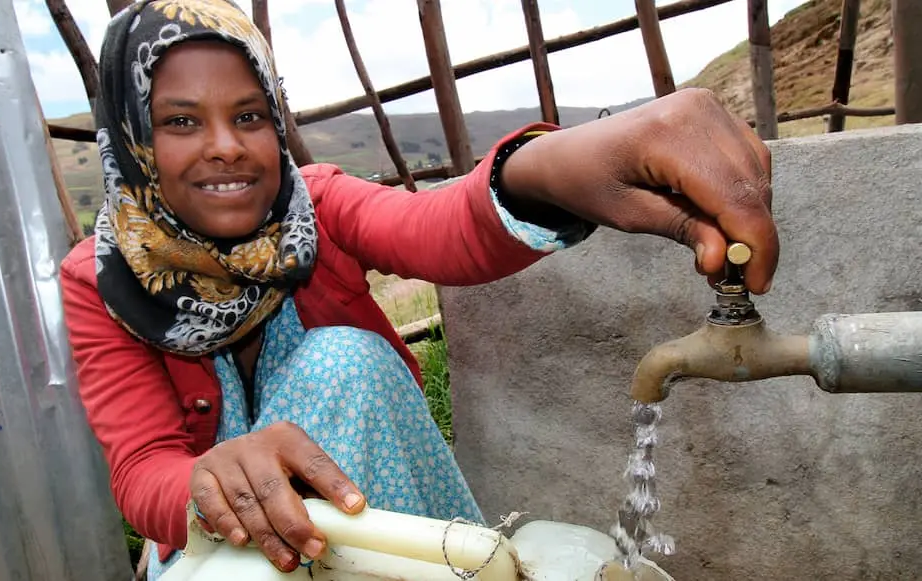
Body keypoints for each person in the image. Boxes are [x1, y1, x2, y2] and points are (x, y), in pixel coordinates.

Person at [59, 0, 778, 578]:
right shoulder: (100, 279)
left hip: (378, 530)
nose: (226, 144)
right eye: (180, 121)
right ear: (132, 139)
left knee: (345, 363)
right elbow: (142, 468)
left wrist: (556, 169)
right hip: (221, 551)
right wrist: (206, 481)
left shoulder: (314, 208)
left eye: (249, 115)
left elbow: (439, 226)